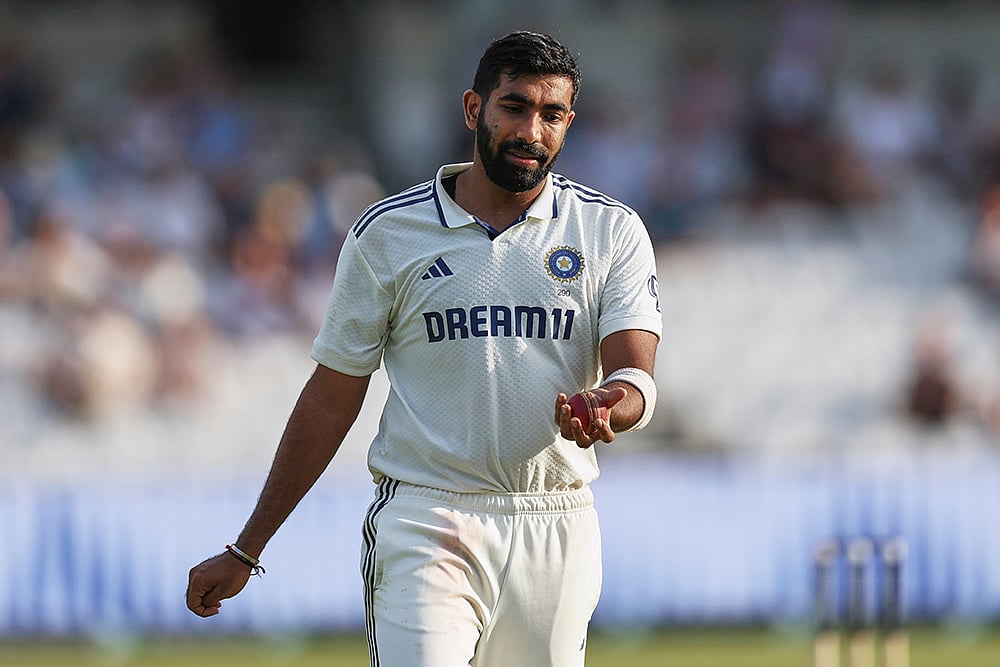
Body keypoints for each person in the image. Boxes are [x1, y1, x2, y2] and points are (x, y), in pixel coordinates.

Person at [186, 30, 662, 666]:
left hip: (557, 520)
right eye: (514, 107)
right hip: (426, 515)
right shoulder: (388, 233)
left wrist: (610, 404)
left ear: (569, 123)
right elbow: (332, 395)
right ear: (473, 109)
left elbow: (634, 377)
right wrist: (248, 547)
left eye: (552, 115)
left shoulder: (610, 229)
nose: (531, 131)